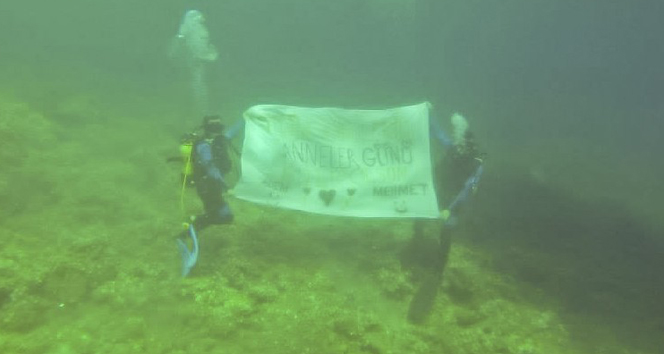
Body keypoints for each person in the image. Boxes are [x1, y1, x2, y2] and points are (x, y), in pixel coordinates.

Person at [171, 115, 244, 276]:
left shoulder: (221, 139)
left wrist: (246, 117)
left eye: (219, 126)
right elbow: (211, 168)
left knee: (223, 216)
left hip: (214, 186)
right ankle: (186, 231)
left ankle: (190, 227)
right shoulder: (203, 145)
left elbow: (232, 132)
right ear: (206, 128)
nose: (217, 129)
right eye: (213, 127)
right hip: (206, 187)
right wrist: (227, 188)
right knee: (223, 216)